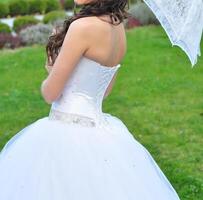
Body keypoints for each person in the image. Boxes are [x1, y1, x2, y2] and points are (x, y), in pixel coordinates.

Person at [0, 0, 181, 199]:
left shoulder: (82, 27)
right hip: (100, 129)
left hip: (65, 133)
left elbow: (50, 93)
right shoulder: (118, 27)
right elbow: (105, 91)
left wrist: (51, 66)